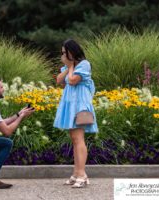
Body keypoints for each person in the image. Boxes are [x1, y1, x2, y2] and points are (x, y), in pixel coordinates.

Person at [54, 39, 98, 188]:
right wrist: (68, 66)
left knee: (79, 139)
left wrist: (71, 65)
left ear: (71, 51)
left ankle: (81, 174)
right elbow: (60, 80)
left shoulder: (84, 64)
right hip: (70, 105)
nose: (62, 55)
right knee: (74, 139)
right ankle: (77, 174)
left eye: (64, 52)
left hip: (80, 106)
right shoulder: (70, 66)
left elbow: (72, 81)